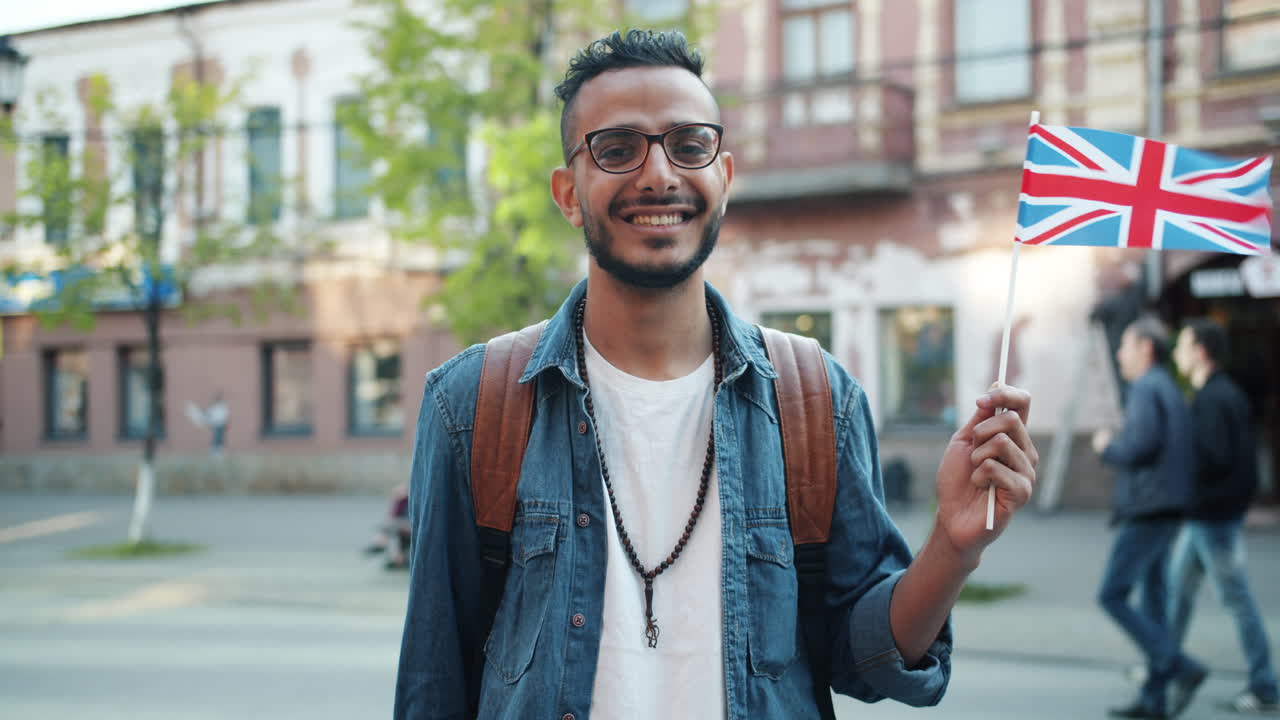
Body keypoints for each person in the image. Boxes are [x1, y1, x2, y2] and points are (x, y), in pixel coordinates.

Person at [394, 29, 1038, 719]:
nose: (659, 173)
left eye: (689, 144)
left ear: (724, 177)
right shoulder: (474, 404)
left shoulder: (816, 399)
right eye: (617, 148)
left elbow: (867, 661)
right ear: (568, 193)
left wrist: (953, 544)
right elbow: (434, 683)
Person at [1093, 316, 1206, 719]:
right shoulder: (1166, 387)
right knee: (1155, 602)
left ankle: (1181, 667)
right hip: (1166, 506)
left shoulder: (1145, 388)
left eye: (1125, 345)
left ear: (1145, 348)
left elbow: (1140, 447)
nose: (1120, 354)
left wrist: (1107, 446)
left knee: (1111, 594)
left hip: (1149, 507)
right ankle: (1154, 701)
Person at [1170, 317, 1280, 714]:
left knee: (1237, 600)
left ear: (1200, 352)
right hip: (1208, 515)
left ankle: (1265, 685)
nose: (1177, 352)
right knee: (1177, 593)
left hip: (1212, 519)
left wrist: (1176, 459)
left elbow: (1213, 459)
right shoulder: (1221, 394)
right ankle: (1165, 665)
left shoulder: (1213, 399)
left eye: (1182, 344)